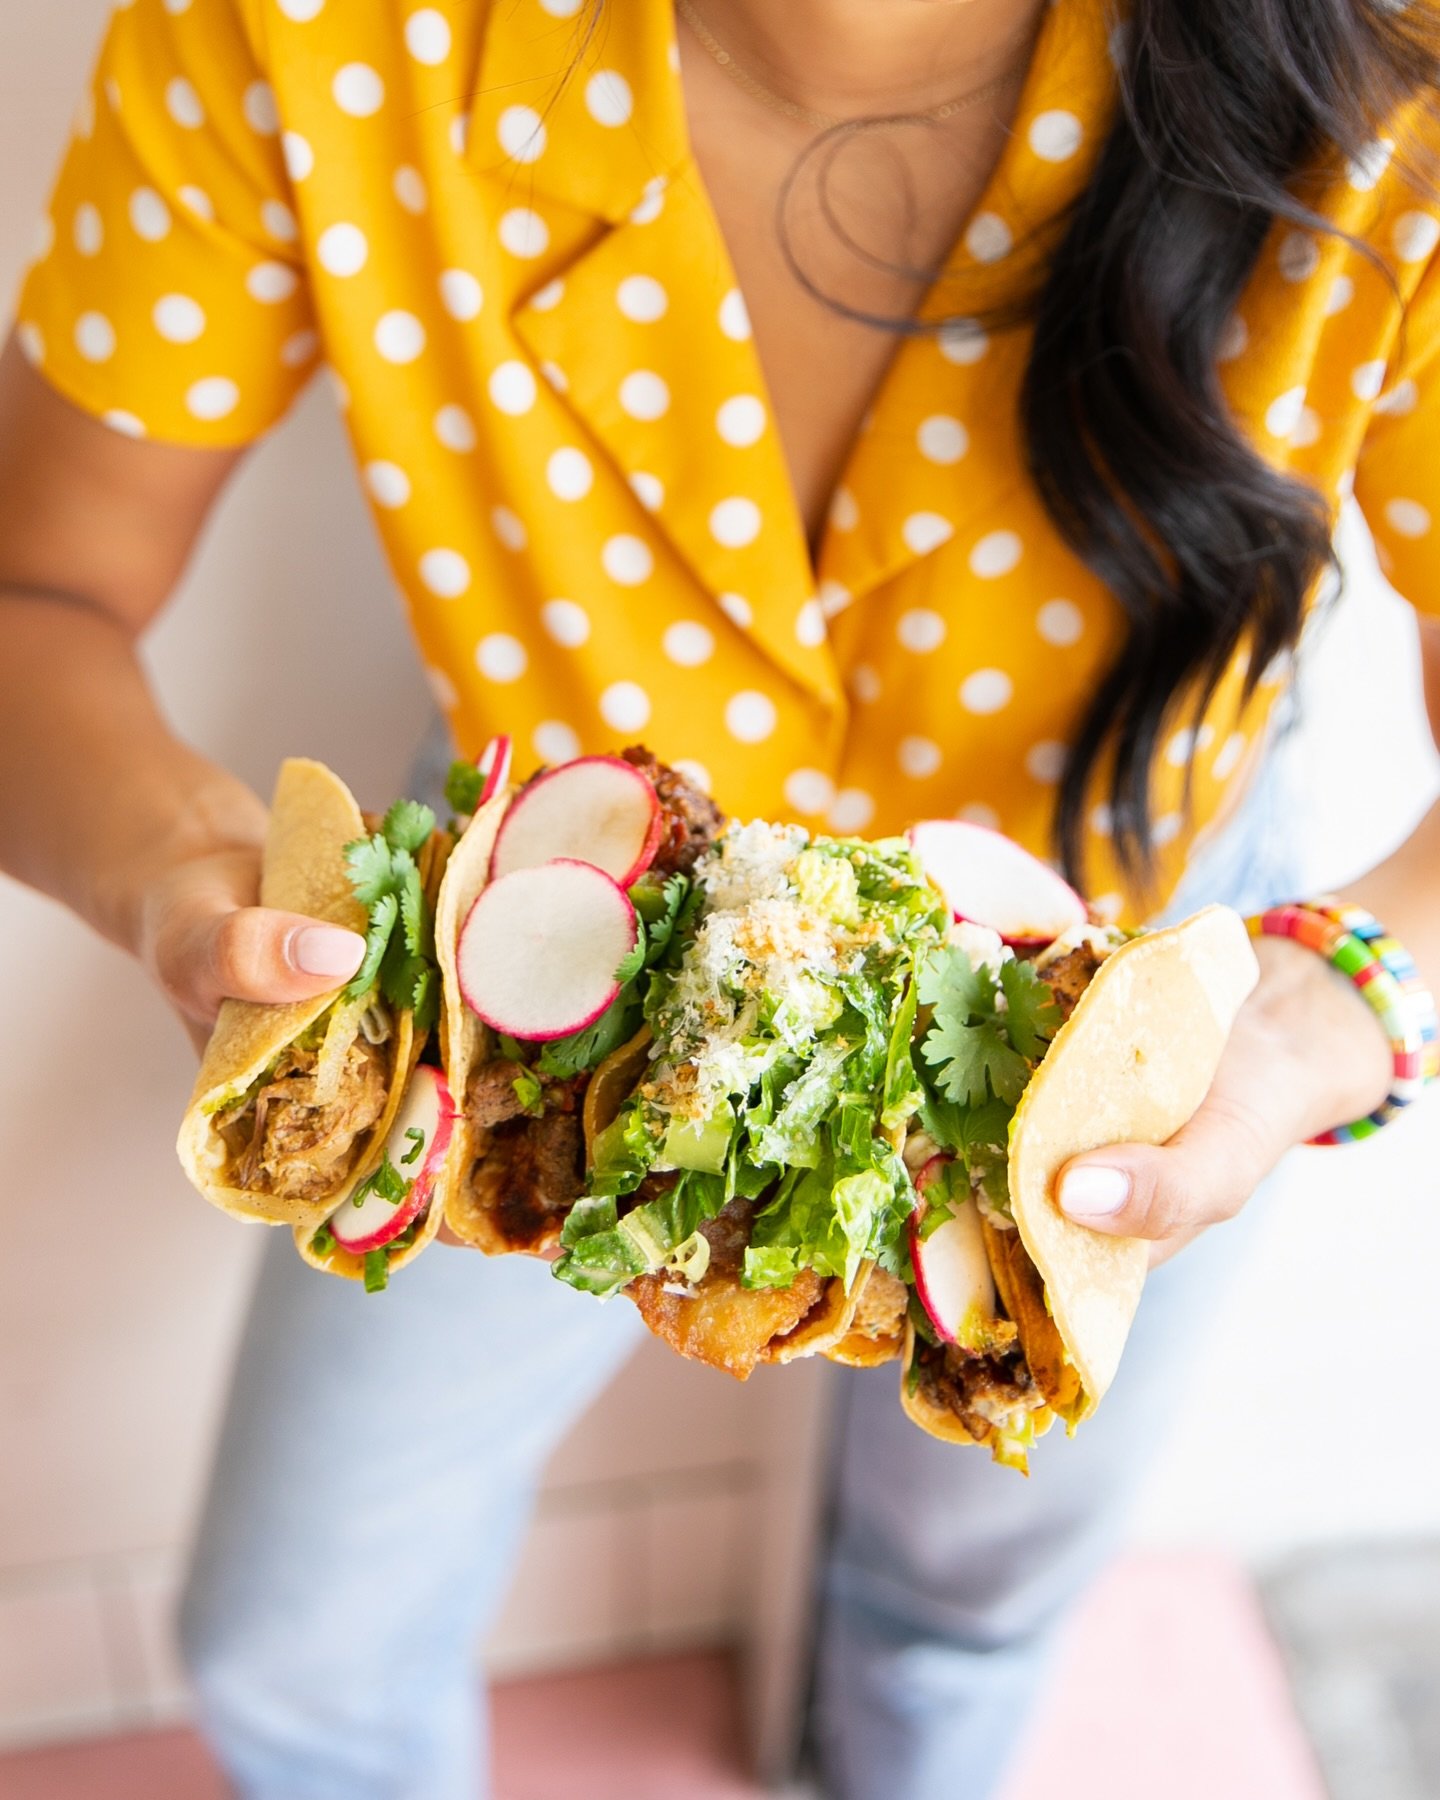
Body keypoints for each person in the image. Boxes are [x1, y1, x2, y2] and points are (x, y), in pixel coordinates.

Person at [2, 0, 1438, 1794]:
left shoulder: (1399, 69)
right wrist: (182, 891)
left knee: (966, 1591)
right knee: (294, 1634)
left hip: (1135, 952)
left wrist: (1333, 1007)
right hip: (540, 959)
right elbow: (33, 594)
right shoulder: (301, 31)